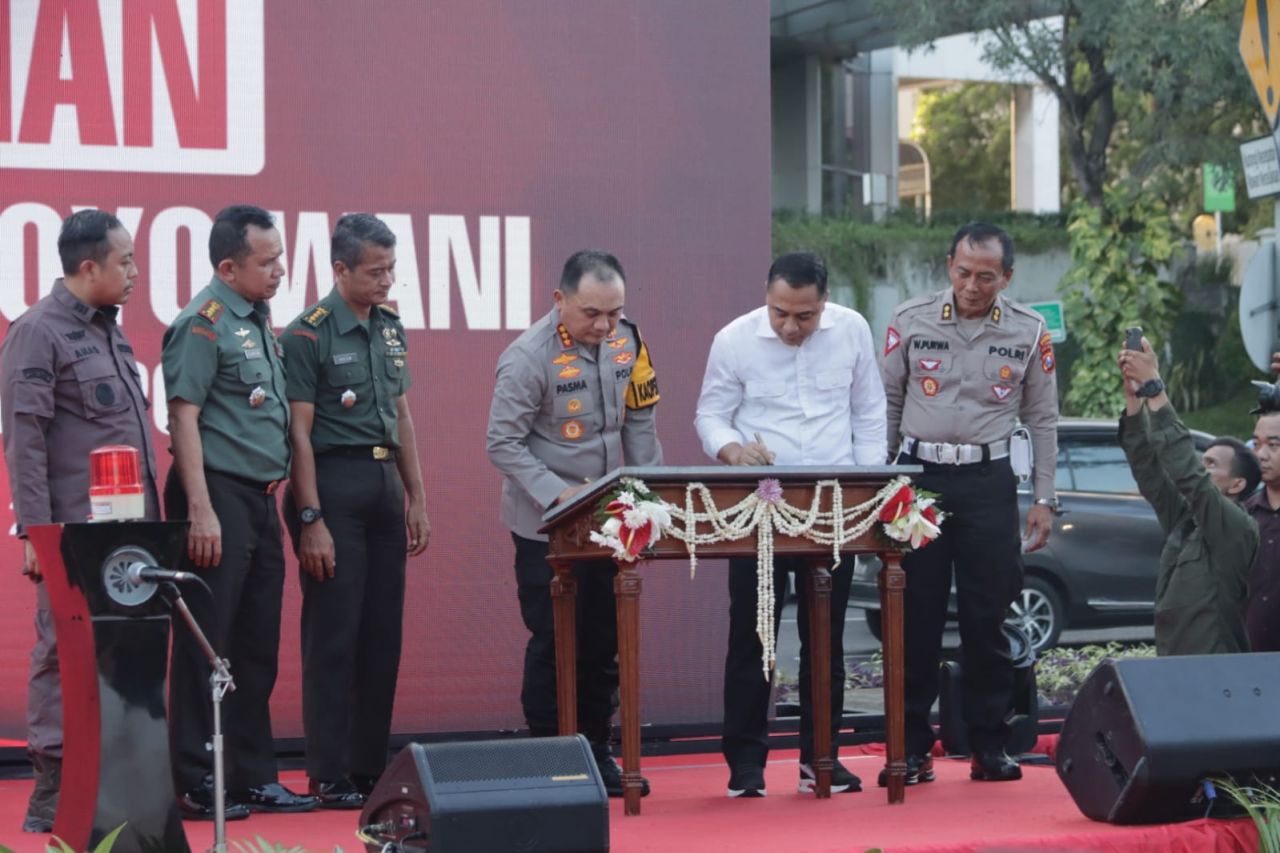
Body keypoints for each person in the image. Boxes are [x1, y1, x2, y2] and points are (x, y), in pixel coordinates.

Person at [694, 251, 885, 799]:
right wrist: (732, 452)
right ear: (766, 295)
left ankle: (820, 759)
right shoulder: (733, 339)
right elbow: (710, 414)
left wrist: (865, 491)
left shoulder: (851, 330)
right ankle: (746, 766)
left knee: (824, 639)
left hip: (833, 507)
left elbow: (869, 411)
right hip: (761, 508)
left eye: (804, 316)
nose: (790, 326)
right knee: (754, 636)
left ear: (824, 302)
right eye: (780, 313)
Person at [0, 210, 161, 833]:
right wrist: (35, 532)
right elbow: (25, 439)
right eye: (125, 262)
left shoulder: (110, 333)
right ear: (88, 266)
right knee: (59, 655)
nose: (135, 274)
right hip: (69, 532)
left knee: (120, 656)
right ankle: (54, 787)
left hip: (129, 532)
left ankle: (115, 783)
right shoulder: (38, 332)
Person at [880, 222, 1057, 785]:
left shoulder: (1030, 332)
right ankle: (909, 748)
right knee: (914, 616)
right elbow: (884, 404)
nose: (973, 286)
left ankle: (990, 744)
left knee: (988, 616)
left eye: (986, 276)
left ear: (1007, 276)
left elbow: (1043, 419)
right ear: (947, 267)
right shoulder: (910, 320)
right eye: (963, 273)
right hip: (919, 480)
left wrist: (1044, 499)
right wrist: (879, 484)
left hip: (989, 481)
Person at [485, 250, 662, 797]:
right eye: (592, 313)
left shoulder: (627, 340)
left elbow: (640, 421)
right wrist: (560, 497)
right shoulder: (527, 358)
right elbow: (503, 443)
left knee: (603, 641)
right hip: (547, 526)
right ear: (560, 301)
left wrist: (648, 499)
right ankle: (549, 753)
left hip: (611, 522)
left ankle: (597, 749)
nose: (604, 325)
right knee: (555, 641)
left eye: (613, 312)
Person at [162, 205, 317, 819]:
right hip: (216, 495)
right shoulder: (203, 324)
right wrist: (199, 509)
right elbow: (184, 417)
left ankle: (252, 774)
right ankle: (199, 778)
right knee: (209, 641)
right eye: (266, 261)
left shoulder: (256, 318)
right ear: (228, 267)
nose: (279, 270)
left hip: (259, 498)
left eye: (280, 257)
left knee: (255, 646)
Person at [280, 213, 431, 808]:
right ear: (340, 269)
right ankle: (329, 770)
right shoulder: (307, 334)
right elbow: (298, 433)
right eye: (375, 271)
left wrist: (415, 494)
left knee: (381, 634)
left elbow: (401, 415)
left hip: (382, 483)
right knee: (334, 632)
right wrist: (310, 518)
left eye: (391, 269)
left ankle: (370, 766)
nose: (386, 281)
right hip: (332, 482)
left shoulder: (390, 328)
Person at [1118, 339, 1259, 655]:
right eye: (1202, 459)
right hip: (1175, 668)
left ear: (1237, 485)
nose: (1200, 466)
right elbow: (1149, 472)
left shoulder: (1237, 527)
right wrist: (1134, 401)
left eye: (1211, 464)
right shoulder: (1186, 522)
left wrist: (1155, 389)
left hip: (1216, 675)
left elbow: (1190, 478)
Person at [1246, 405, 1280, 651]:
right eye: (1256, 444)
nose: (1261, 454)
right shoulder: (1244, 515)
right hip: (1250, 660)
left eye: (1274, 445)